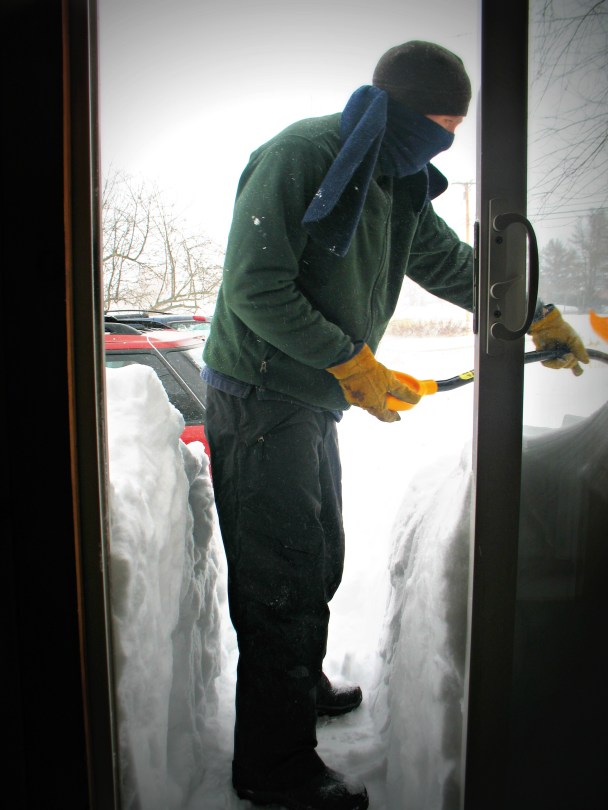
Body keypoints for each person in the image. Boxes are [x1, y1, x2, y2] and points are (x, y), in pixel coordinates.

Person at [201, 40, 588, 810]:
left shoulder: (393, 174)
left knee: (318, 552)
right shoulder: (304, 155)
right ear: (404, 110)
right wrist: (351, 362)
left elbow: (448, 261)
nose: (446, 141)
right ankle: (274, 767)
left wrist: (534, 312)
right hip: (259, 394)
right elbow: (254, 287)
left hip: (309, 398)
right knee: (281, 573)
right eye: (442, 124)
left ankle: (296, 686)